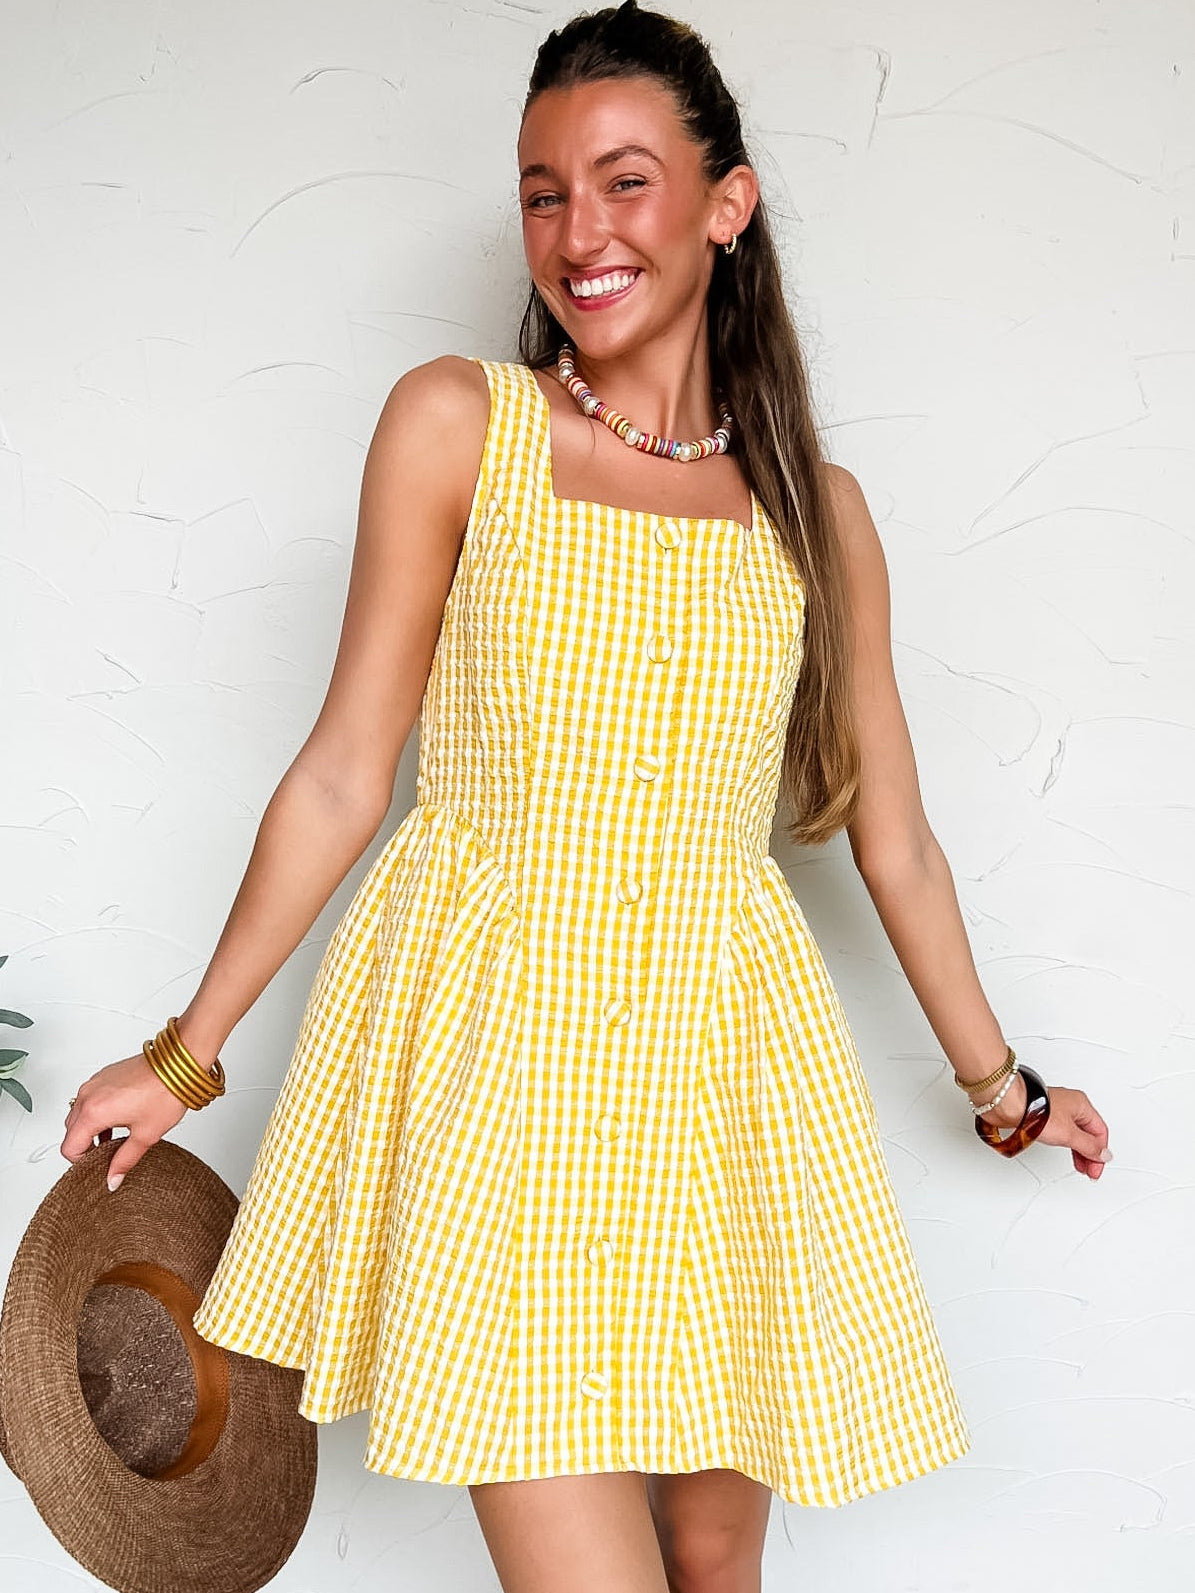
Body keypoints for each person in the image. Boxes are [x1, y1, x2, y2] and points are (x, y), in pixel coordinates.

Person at [60, 4, 1112, 1590]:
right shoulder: (456, 423)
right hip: (501, 1054)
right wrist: (181, 1056)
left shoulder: (816, 510)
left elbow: (894, 835)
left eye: (626, 182)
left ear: (726, 206)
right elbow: (349, 767)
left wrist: (1002, 1084)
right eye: (545, 190)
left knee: (711, 1564)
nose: (579, 230)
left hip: (723, 1063)